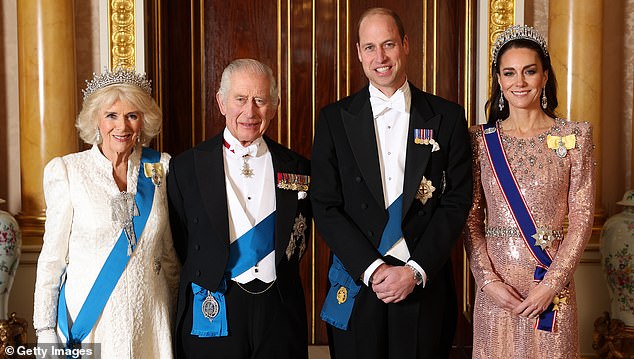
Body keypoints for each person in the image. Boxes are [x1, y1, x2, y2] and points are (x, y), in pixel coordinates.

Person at [311, 7, 472, 359]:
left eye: (388, 44)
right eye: (370, 47)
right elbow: (324, 205)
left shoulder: (446, 116)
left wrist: (414, 271)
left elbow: (457, 201)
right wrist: (374, 269)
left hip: (422, 284)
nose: (380, 57)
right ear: (358, 53)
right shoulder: (334, 119)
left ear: (406, 45)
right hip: (357, 281)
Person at [464, 25, 595, 358]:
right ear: (498, 79)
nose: (519, 82)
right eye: (509, 73)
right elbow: (471, 218)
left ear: (545, 76)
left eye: (529, 71)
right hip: (497, 291)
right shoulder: (480, 141)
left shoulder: (575, 136)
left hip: (551, 288)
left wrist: (551, 285)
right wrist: (487, 280)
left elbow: (581, 218)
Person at [168, 58, 311, 359]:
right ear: (221, 102)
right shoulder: (186, 167)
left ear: (274, 105)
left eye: (260, 100)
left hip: (279, 310)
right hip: (215, 303)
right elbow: (181, 242)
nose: (250, 111)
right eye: (240, 99)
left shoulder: (298, 168)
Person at [33, 67, 180, 358]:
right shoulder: (68, 172)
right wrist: (45, 330)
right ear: (96, 121)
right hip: (91, 324)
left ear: (143, 121)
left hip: (151, 319)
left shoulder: (160, 169)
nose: (122, 127)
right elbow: (52, 259)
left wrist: (178, 316)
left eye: (132, 115)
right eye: (111, 115)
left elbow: (168, 254)